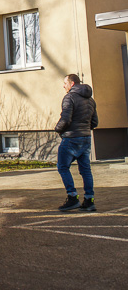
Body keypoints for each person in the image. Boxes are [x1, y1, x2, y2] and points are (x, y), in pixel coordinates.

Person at [54, 74, 98, 212]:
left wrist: (57, 129)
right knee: (85, 170)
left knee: (62, 167)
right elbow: (95, 122)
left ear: (72, 83)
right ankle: (89, 201)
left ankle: (72, 197)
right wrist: (84, 130)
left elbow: (65, 119)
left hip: (71, 138)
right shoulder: (90, 100)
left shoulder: (69, 97)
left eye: (65, 83)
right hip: (85, 138)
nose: (63, 86)